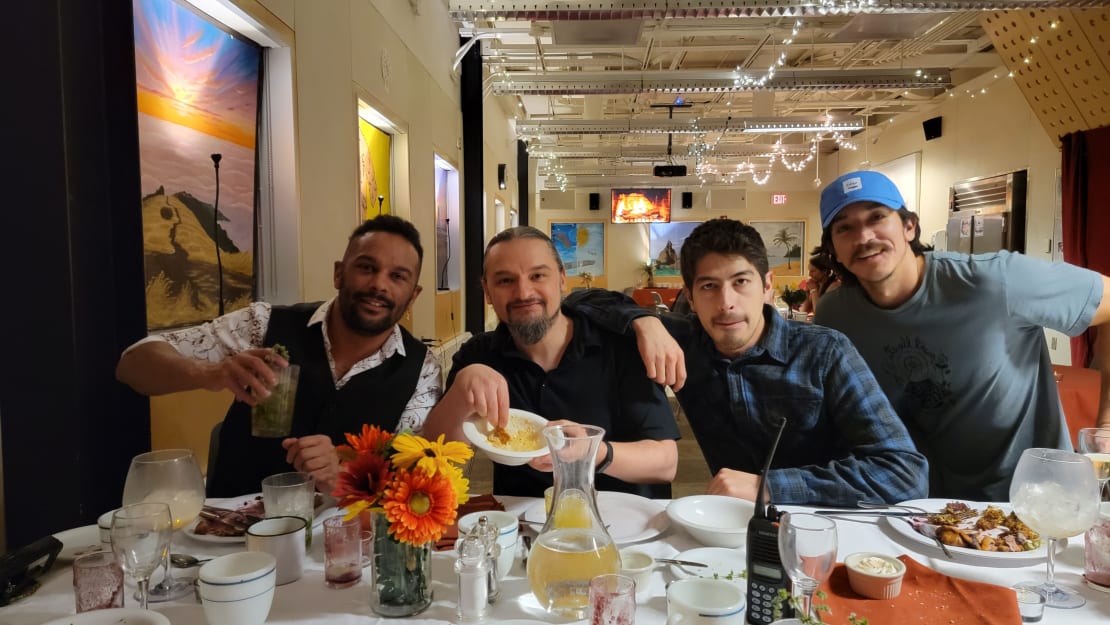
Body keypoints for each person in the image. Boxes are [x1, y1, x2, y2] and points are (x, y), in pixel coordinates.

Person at [566, 218, 928, 506]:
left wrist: (768, 486)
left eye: (741, 282)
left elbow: (905, 473)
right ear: (689, 297)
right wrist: (642, 322)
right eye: (709, 287)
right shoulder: (686, 341)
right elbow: (580, 299)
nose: (726, 303)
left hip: (827, 527)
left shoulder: (824, 352)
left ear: (768, 285)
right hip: (732, 531)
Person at [814, 170, 1110, 501]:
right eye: (845, 228)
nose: (864, 236)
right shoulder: (834, 316)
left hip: (1029, 503)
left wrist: (1107, 422)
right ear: (834, 251)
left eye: (877, 217)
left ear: (909, 226)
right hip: (917, 510)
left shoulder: (996, 282)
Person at [116, 215, 441, 497]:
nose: (379, 285)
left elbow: (409, 482)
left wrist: (341, 473)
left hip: (345, 546)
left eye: (397, 276)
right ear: (339, 274)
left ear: (413, 296)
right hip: (232, 541)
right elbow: (133, 363)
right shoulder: (263, 324)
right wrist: (211, 372)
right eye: (367, 268)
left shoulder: (421, 369)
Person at [421, 226, 680, 498]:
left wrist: (593, 451)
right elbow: (438, 455)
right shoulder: (479, 356)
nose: (523, 292)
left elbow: (665, 463)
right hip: (522, 530)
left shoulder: (620, 347)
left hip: (624, 525)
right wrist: (461, 392)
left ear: (562, 279)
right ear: (487, 291)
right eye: (505, 281)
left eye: (537, 275)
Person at [800, 247, 839, 314]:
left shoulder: (834, 286)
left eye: (813, 271)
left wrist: (813, 290)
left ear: (825, 271)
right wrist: (807, 291)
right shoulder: (817, 285)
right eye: (809, 271)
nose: (809, 274)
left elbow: (819, 313)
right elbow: (804, 311)